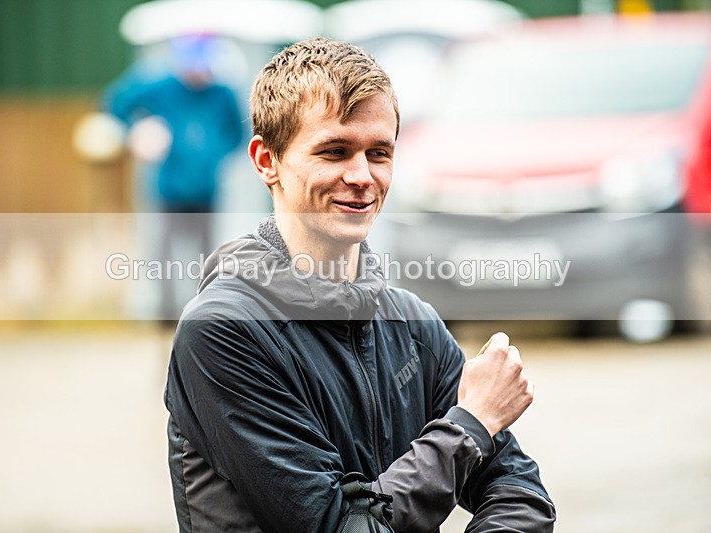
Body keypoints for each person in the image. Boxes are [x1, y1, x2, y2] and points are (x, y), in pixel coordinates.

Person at [164, 38, 555, 532]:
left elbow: (519, 491)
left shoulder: (412, 323)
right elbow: (342, 526)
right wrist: (470, 424)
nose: (362, 176)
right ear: (267, 161)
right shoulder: (223, 332)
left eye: (379, 153)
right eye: (334, 151)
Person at [101, 34, 244, 319]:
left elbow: (237, 133)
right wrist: (136, 133)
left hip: (207, 190)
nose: (199, 73)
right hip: (169, 189)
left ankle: (205, 314)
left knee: (207, 255)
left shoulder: (223, 93)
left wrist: (213, 155)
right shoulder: (159, 87)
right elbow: (115, 104)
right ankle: (166, 317)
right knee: (164, 255)